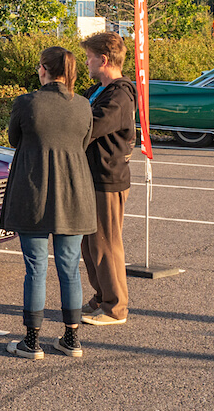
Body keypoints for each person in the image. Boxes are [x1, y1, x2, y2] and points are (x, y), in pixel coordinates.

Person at [1, 47, 96, 359]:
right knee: (70, 267)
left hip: (35, 193)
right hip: (75, 194)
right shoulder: (83, 105)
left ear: (43, 69)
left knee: (35, 267)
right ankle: (72, 339)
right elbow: (82, 143)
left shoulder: (27, 102)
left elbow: (14, 139)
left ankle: (32, 341)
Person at [80, 31, 136, 325]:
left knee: (105, 242)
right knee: (89, 244)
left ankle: (116, 307)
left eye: (89, 57)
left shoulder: (119, 95)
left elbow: (90, 126)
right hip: (90, 177)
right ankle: (101, 297)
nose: (86, 63)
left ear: (103, 59)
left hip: (108, 178)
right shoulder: (95, 92)